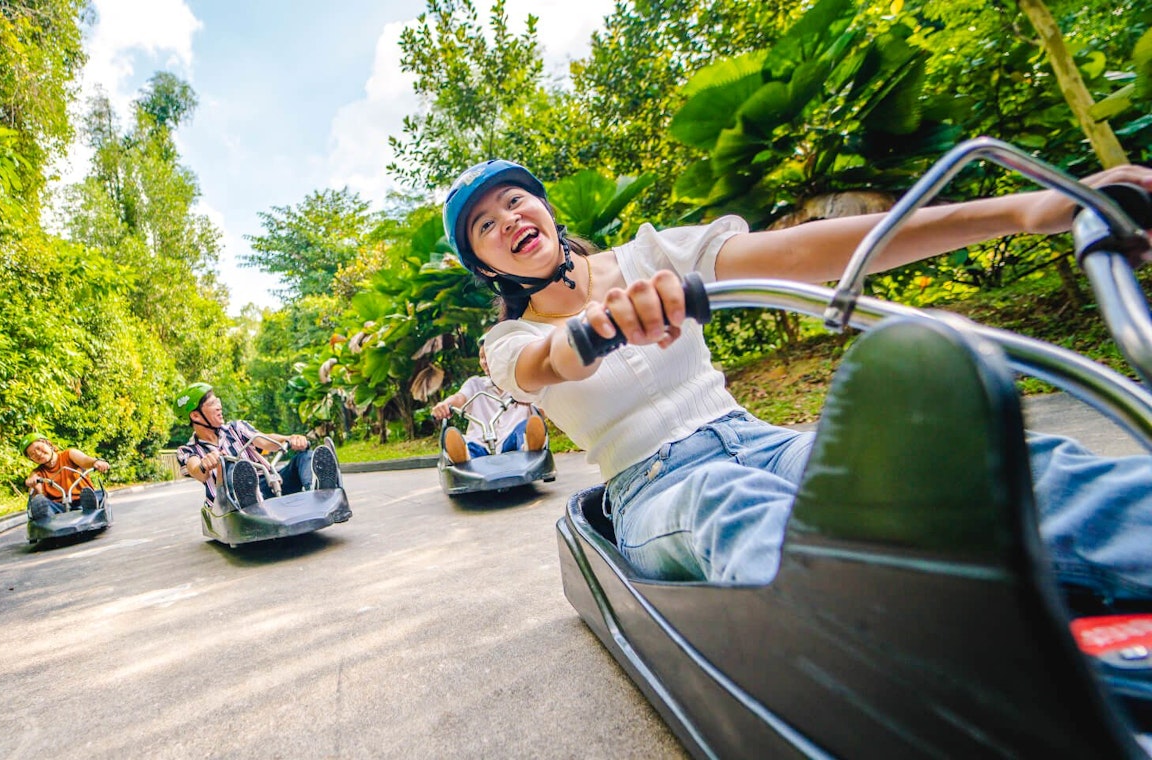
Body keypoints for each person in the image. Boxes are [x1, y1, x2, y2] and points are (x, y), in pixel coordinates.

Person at [442, 157, 1152, 599]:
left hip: (761, 441)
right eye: (483, 226)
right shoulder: (508, 339)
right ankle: (907, 654)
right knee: (734, 500)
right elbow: (546, 365)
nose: (507, 220)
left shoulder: (656, 253)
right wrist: (590, 332)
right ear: (487, 267)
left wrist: (1025, 210)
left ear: (545, 209)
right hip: (657, 490)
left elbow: (807, 251)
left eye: (514, 201)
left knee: (961, 467)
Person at [173, 382, 341, 510]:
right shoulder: (188, 450)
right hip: (232, 498)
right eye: (212, 404)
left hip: (267, 483)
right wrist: (205, 464)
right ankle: (250, 503)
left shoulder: (236, 428)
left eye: (218, 401)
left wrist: (291, 439)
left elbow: (265, 440)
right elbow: (195, 469)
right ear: (195, 415)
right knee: (232, 467)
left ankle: (320, 492)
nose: (219, 406)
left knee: (305, 457)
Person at [431, 340, 547, 463]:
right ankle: (464, 457)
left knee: (526, 427)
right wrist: (445, 405)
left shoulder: (522, 384)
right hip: (480, 443)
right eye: (481, 357)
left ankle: (530, 448)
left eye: (488, 357)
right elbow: (459, 398)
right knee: (467, 442)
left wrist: (531, 402)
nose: (484, 362)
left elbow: (542, 411)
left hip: (512, 442)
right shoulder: (475, 384)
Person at [21, 433, 109, 519]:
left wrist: (96, 462)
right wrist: (35, 486)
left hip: (81, 500)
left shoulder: (69, 454)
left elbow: (85, 460)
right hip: (58, 507)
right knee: (41, 503)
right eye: (32, 454)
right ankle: (45, 517)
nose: (38, 453)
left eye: (39, 448)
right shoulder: (37, 472)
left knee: (98, 494)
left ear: (48, 444)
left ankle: (90, 507)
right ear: (31, 459)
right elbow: (38, 490)